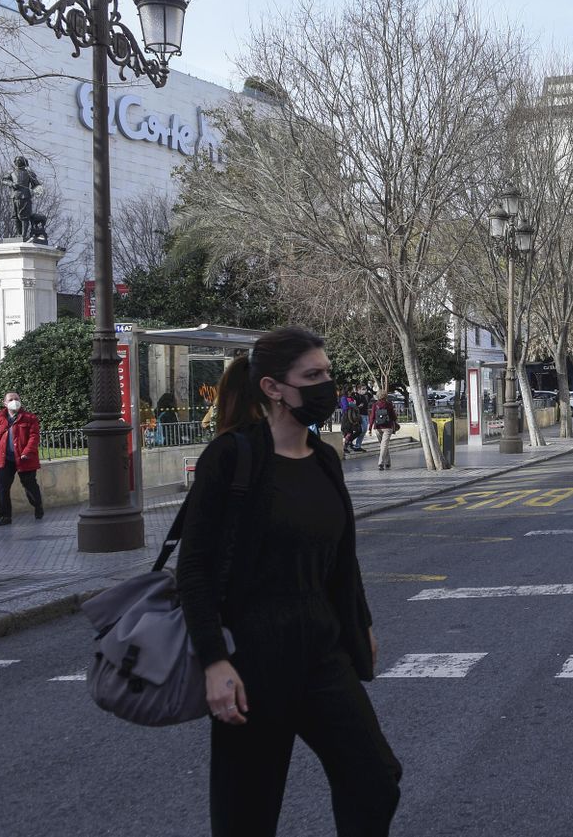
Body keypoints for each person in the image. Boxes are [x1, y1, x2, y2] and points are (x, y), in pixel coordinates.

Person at [176, 327, 400, 836]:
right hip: (252, 659)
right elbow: (194, 568)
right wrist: (214, 661)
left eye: (327, 373)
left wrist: (360, 622)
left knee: (375, 780)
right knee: (247, 816)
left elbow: (342, 558)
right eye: (312, 375)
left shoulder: (325, 459)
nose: (326, 385)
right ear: (273, 388)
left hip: (322, 651)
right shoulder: (232, 457)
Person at [0, 391, 42, 525]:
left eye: (16, 399)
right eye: (10, 399)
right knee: (2, 488)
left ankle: (38, 506)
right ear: (5, 403)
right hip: (6, 459)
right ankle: (5, 517)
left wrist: (27, 451)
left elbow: (34, 437)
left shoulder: (30, 418)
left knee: (30, 486)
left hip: (25, 459)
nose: (14, 401)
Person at [369, 390, 400, 471]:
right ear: (386, 396)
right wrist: (395, 421)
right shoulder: (389, 404)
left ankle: (385, 462)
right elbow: (393, 416)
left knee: (383, 445)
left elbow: (372, 417)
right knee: (384, 445)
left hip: (378, 427)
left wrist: (370, 428)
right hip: (388, 427)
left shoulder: (375, 405)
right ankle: (382, 462)